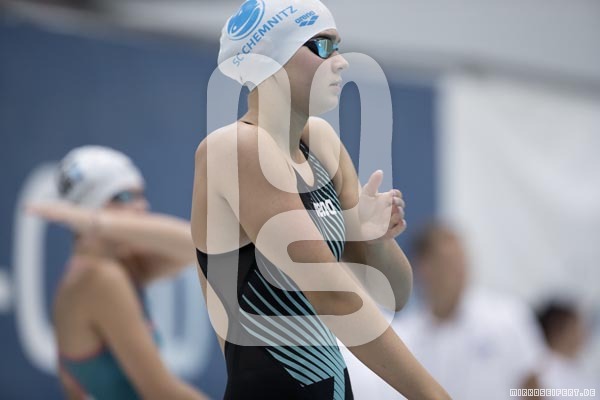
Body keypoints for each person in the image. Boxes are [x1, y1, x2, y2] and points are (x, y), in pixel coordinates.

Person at [191, 1, 450, 399]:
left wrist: (374, 240)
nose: (341, 62)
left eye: (339, 47)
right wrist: (432, 394)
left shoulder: (320, 143)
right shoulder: (236, 149)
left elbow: (394, 294)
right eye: (323, 46)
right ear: (270, 59)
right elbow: (331, 294)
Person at [29, 146, 208, 400]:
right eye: (124, 197)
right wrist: (97, 223)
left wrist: (104, 223)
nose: (142, 206)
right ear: (89, 208)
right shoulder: (98, 278)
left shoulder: (123, 266)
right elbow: (161, 393)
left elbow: (199, 246)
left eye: (141, 195)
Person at [342, 221, 546, 399]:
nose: (460, 270)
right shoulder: (407, 335)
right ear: (423, 268)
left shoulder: (507, 317)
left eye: (461, 260)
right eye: (449, 262)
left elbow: (532, 386)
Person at [536, 301, 598, 399]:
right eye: (576, 327)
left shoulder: (576, 367)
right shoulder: (544, 374)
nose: (584, 333)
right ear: (559, 330)